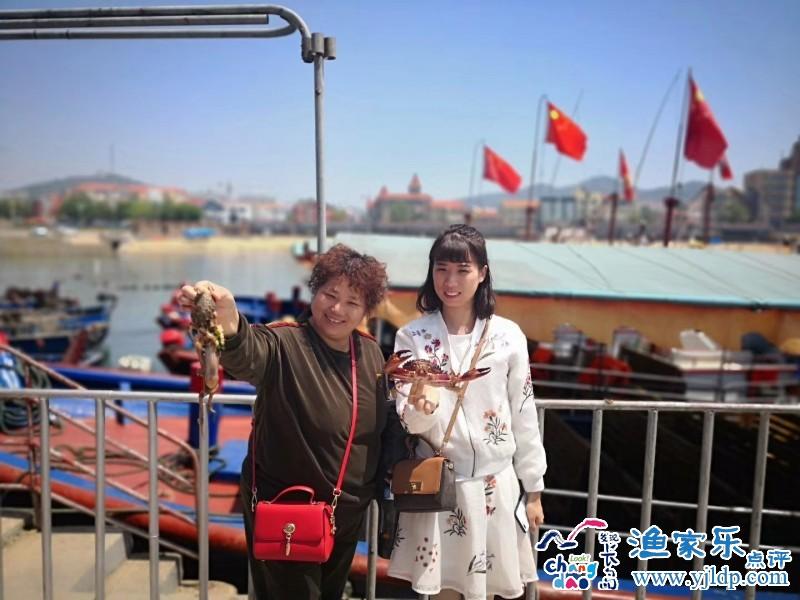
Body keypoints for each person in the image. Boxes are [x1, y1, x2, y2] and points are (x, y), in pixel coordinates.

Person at [180, 244, 401, 600]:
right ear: (315, 291)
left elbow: (380, 421)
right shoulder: (284, 342)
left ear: (366, 310)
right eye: (330, 295)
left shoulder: (370, 351)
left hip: (345, 516)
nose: (337, 309)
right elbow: (248, 353)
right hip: (288, 513)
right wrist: (230, 323)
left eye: (352, 302)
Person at [387, 224, 547, 600]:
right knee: (442, 592)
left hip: (496, 484)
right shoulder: (412, 337)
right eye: (441, 269)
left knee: (488, 592)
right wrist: (421, 404)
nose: (450, 281)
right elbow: (410, 421)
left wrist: (534, 489)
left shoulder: (508, 336)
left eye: (463, 270)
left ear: (482, 273)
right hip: (440, 486)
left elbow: (524, 413)